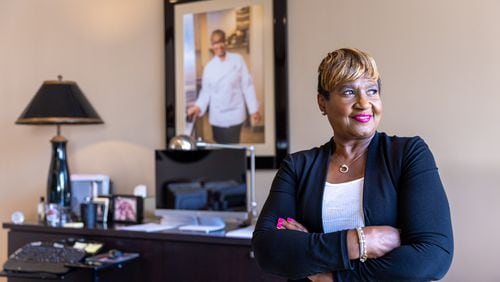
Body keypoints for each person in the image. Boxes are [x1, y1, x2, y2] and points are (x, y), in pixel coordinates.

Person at [252, 48, 453, 281]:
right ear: (322, 102)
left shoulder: (408, 154)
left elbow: (432, 257)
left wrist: (326, 275)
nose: (364, 103)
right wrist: (361, 241)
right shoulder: (297, 166)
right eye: (348, 92)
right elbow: (268, 249)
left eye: (372, 90)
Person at [187, 29, 261, 144]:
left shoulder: (238, 60)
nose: (218, 46)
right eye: (215, 43)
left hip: (235, 113)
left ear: (225, 42)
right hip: (218, 116)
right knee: (220, 146)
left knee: (233, 146)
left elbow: (247, 85)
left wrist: (254, 109)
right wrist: (198, 106)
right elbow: (206, 92)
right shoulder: (209, 67)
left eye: (221, 41)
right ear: (212, 45)